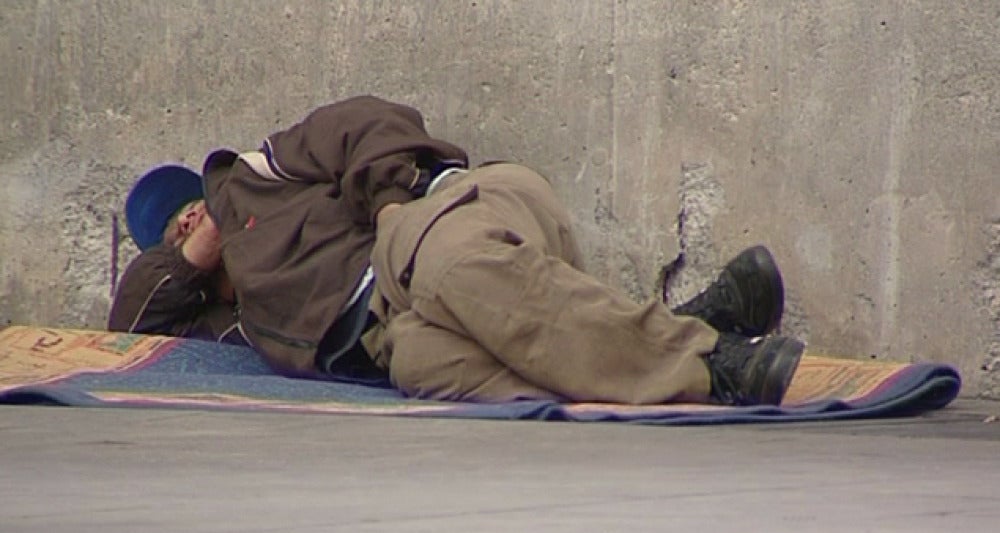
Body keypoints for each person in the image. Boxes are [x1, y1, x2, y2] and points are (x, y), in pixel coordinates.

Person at [109, 95, 804, 406]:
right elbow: (130, 330)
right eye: (176, 228)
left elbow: (367, 121)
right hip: (406, 325)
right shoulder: (232, 321)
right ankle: (705, 334)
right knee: (423, 362)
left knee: (439, 267)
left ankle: (715, 365)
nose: (194, 218)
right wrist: (197, 250)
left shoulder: (267, 173)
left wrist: (389, 213)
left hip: (443, 219)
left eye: (193, 203)